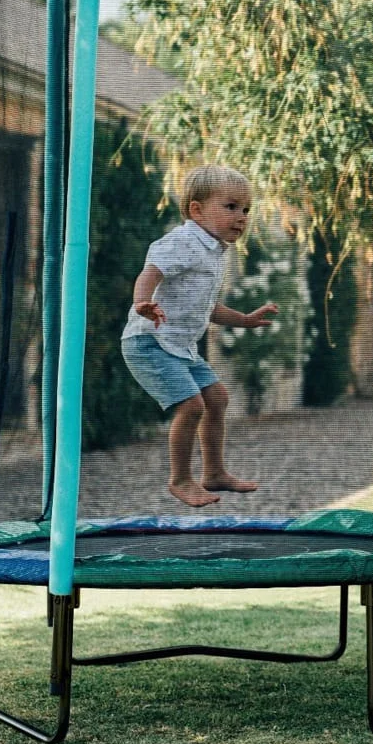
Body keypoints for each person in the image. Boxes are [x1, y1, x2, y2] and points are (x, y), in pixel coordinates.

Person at [121, 165, 278, 507]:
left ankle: (215, 473)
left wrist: (245, 320)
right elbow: (150, 272)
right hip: (149, 342)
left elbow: (207, 307)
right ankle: (180, 480)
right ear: (196, 209)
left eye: (246, 210)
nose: (241, 217)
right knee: (192, 406)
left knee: (217, 399)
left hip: (180, 347)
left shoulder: (213, 251)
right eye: (231, 206)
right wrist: (141, 303)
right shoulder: (182, 242)